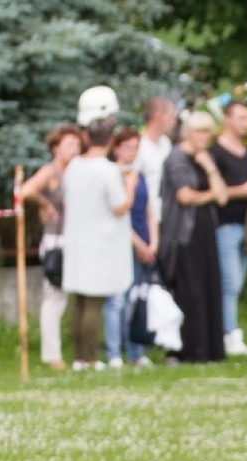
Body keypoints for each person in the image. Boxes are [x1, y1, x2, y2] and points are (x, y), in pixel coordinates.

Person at [62, 92, 139, 372]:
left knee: (80, 303)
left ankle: (78, 358)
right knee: (94, 302)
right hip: (100, 244)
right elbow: (120, 206)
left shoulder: (74, 166)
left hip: (77, 241)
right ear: (110, 139)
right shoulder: (106, 171)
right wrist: (130, 183)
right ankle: (91, 359)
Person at [161, 110, 229, 363]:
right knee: (190, 291)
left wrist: (210, 168)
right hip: (184, 233)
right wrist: (210, 195)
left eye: (207, 132)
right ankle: (188, 349)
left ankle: (210, 349)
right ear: (188, 132)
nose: (203, 137)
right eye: (199, 131)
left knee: (210, 287)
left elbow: (223, 197)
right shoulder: (176, 158)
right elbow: (185, 196)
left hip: (206, 230)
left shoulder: (205, 158)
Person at [19, 124, 83, 371]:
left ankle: (81, 354)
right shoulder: (50, 171)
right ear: (56, 148)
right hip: (56, 241)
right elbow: (25, 191)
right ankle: (52, 355)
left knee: (74, 299)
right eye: (69, 144)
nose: (74, 149)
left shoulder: (78, 171)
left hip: (76, 239)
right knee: (54, 297)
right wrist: (45, 204)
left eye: (77, 144)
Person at [213, 99, 247, 357]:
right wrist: (243, 190)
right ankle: (229, 335)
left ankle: (229, 333)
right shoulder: (215, 153)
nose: (246, 123)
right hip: (224, 224)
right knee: (230, 283)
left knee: (237, 284)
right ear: (227, 119)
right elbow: (214, 192)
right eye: (241, 118)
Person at [103, 127, 160, 368]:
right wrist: (136, 243)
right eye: (127, 147)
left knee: (137, 299)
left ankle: (136, 351)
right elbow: (117, 213)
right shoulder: (111, 175)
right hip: (121, 243)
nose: (132, 152)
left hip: (144, 242)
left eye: (135, 147)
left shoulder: (140, 175)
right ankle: (114, 351)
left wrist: (153, 241)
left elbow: (149, 210)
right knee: (117, 300)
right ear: (116, 149)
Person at [135, 97, 175, 224]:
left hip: (168, 214)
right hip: (147, 217)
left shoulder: (166, 143)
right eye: (171, 116)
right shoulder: (139, 146)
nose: (174, 122)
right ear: (159, 116)